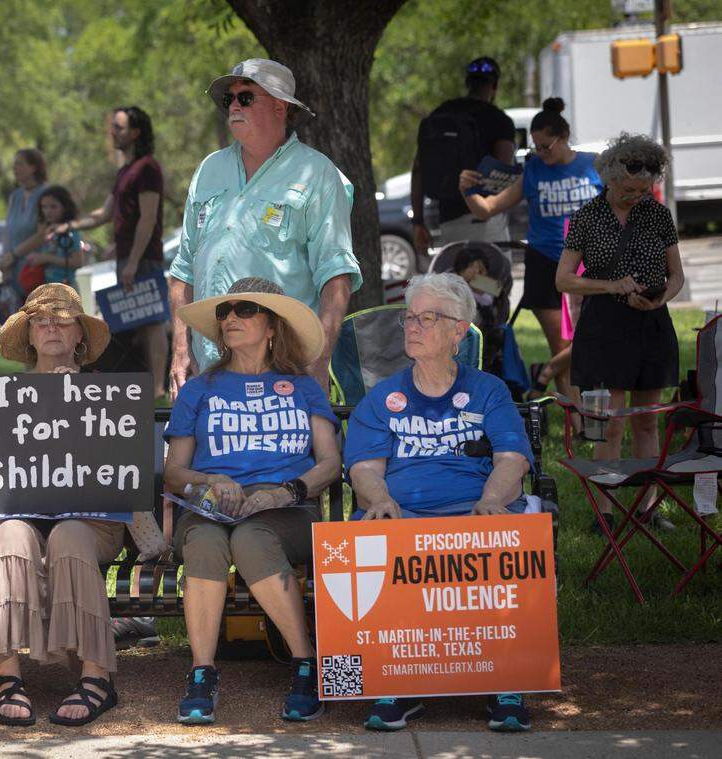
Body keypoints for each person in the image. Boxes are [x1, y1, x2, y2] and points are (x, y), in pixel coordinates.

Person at [344, 273, 536, 732]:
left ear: (458, 332)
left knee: (507, 534)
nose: (412, 326)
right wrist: (381, 498)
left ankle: (509, 680)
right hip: (403, 513)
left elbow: (512, 458)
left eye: (426, 318)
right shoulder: (382, 398)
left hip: (473, 511)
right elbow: (365, 469)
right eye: (410, 317)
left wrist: (491, 500)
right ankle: (385, 683)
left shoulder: (489, 390)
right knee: (365, 539)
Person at [164, 277, 342, 724]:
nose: (231, 319)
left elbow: (328, 463)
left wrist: (286, 491)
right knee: (205, 541)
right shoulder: (201, 388)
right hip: (210, 507)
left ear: (271, 325)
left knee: (251, 537)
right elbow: (173, 473)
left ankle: (306, 664)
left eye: (245, 310)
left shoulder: (302, 386)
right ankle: (202, 672)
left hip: (286, 511)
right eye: (225, 312)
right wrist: (211, 478)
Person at [0, 283, 125, 727]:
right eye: (40, 320)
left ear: (79, 336)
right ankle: (8, 677)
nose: (51, 327)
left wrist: (74, 408)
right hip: (21, 516)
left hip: (90, 520)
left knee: (68, 534)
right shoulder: (3, 397)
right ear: (28, 336)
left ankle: (96, 678)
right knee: (9, 535)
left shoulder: (106, 395)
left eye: (62, 319)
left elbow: (118, 476)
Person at [167, 59, 361, 395]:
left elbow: (336, 276)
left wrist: (318, 364)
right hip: (208, 369)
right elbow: (183, 271)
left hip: (284, 370)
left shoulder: (317, 174)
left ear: (279, 106)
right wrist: (181, 350)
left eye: (246, 97)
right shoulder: (208, 169)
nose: (234, 106)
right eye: (230, 99)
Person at [555, 133, 684, 533]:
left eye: (644, 189)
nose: (637, 195)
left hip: (650, 322)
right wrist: (608, 286)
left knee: (646, 421)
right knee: (608, 421)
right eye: (629, 189)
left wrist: (660, 300)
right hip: (605, 326)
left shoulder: (657, 215)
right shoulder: (587, 217)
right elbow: (563, 280)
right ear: (610, 179)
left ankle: (647, 509)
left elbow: (676, 275)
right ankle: (607, 513)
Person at [459, 98, 602, 401]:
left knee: (593, 338)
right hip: (545, 263)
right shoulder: (534, 170)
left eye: (545, 146)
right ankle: (576, 424)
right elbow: (487, 209)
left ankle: (545, 374)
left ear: (563, 137)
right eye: (535, 147)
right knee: (561, 346)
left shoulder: (593, 165)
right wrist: (467, 190)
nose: (540, 153)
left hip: (588, 265)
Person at [50, 106, 169, 397]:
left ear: (136, 132)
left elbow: (148, 218)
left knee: (151, 321)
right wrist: (71, 225)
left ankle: (157, 389)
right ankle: (140, 384)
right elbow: (105, 213)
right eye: (113, 127)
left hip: (143, 259)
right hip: (127, 259)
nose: (113, 132)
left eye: (119, 127)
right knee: (133, 323)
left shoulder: (147, 168)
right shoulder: (124, 171)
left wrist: (133, 261)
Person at [412, 57, 516, 256]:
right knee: (492, 285)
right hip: (487, 222)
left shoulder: (440, 114)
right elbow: (504, 171)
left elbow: (418, 169)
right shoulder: (499, 120)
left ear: (467, 83)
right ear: (495, 86)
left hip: (448, 221)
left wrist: (418, 222)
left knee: (457, 285)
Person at [0, 148, 49, 303]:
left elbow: (42, 234)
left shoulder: (46, 194)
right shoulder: (15, 196)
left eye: (19, 164)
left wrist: (14, 255)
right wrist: (5, 261)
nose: (15, 168)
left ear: (33, 167)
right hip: (13, 274)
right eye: (14, 165)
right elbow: (8, 231)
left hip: (35, 272)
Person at [11, 185, 85, 290]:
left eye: (53, 206)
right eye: (44, 207)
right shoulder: (45, 231)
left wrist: (46, 259)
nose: (48, 211)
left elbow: (78, 262)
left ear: (65, 207)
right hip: (47, 288)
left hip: (65, 289)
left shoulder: (69, 232)